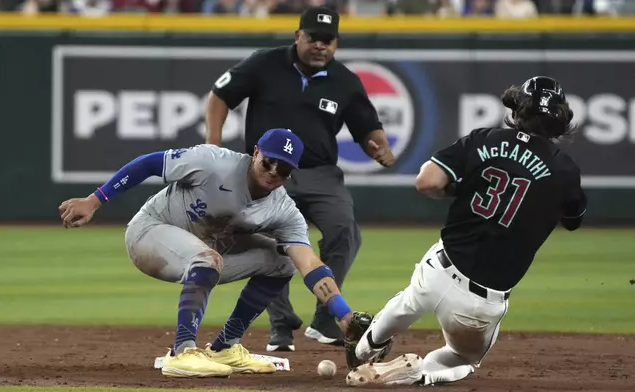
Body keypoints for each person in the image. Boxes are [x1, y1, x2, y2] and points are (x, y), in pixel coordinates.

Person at [58, 128, 369, 378]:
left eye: (284, 168)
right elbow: (150, 163)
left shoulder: (283, 209)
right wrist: (95, 200)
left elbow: (309, 263)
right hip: (149, 234)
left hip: (204, 250)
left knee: (283, 262)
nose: (274, 171)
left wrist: (343, 314)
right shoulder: (213, 161)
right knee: (207, 258)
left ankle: (225, 347)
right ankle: (182, 352)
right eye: (269, 161)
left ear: (292, 173)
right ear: (256, 153)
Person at [344, 76, 587, 386]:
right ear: (561, 119)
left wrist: (460, 189)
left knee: (409, 299)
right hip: (481, 304)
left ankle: (365, 347)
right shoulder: (565, 170)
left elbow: (427, 181)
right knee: (464, 360)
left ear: (517, 110)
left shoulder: (484, 140)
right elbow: (573, 219)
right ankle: (420, 375)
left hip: (440, 269)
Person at [205, 6, 395, 352]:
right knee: (270, 243)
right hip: (266, 173)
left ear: (336, 43)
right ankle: (281, 324)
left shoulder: (345, 82)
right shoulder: (264, 63)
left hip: (321, 173)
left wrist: (378, 147)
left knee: (344, 231)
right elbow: (220, 96)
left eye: (328, 40)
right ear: (298, 36)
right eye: (314, 38)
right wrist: (213, 144)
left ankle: (325, 319)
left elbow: (369, 128)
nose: (321, 45)